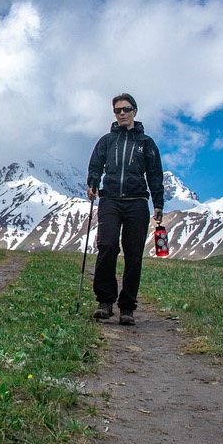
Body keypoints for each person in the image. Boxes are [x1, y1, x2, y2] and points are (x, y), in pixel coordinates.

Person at [86, 93, 164, 326]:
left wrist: (158, 203)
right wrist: (92, 184)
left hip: (137, 202)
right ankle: (105, 302)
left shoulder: (146, 143)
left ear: (135, 111)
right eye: (117, 110)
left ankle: (127, 307)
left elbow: (155, 174)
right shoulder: (106, 141)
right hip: (110, 200)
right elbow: (95, 166)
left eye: (126, 109)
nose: (122, 113)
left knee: (134, 255)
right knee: (107, 246)